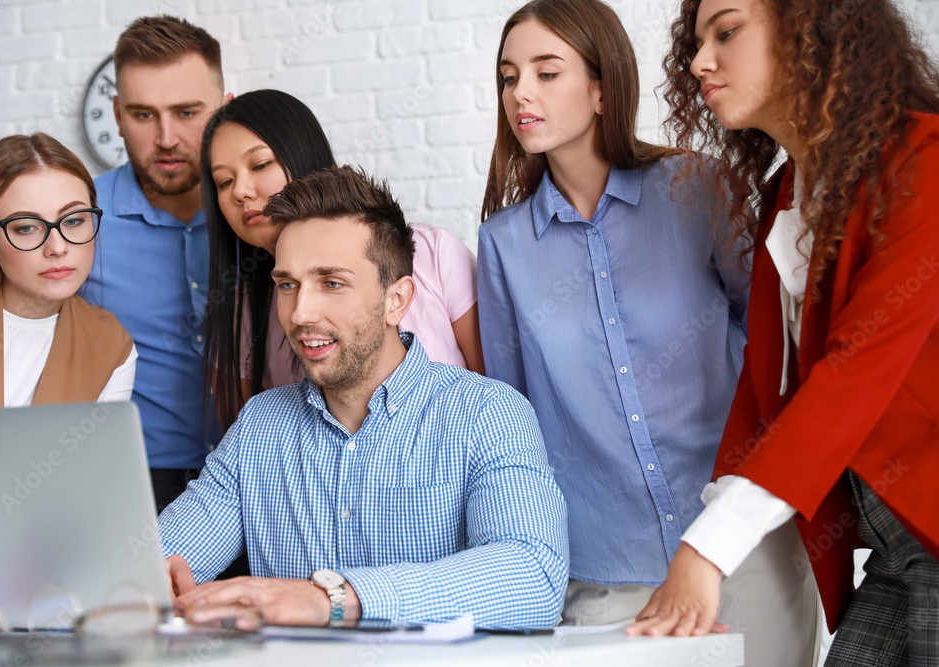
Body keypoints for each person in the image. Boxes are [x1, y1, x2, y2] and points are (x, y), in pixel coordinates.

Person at [477, 1, 818, 664]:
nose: (521, 93)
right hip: (604, 573)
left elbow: (775, 349)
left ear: (603, 87)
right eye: (508, 77)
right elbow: (512, 419)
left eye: (547, 73)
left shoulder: (698, 189)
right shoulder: (503, 246)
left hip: (740, 556)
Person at [628, 1, 939, 664]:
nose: (699, 61)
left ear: (812, 31)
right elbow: (761, 397)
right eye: (697, 39)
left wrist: (708, 549)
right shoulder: (788, 195)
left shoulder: (927, 162)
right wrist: (708, 551)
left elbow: (853, 374)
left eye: (727, 31)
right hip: (891, 553)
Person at [158, 166, 568, 628]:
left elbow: (534, 577)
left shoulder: (488, 414)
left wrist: (331, 599)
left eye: (331, 283)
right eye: (288, 285)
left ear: (397, 300)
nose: (300, 313)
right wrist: (143, 575)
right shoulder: (260, 425)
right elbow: (165, 553)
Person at [200, 89, 484, 431]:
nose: (240, 191)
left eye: (260, 165)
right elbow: (247, 452)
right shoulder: (240, 312)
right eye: (223, 181)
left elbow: (498, 393)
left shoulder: (434, 254)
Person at [80, 16, 231, 513]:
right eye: (144, 115)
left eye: (188, 112)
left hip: (264, 476)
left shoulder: (260, 216)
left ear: (225, 111)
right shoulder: (76, 221)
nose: (167, 138)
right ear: (119, 115)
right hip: (134, 485)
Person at [0, 134, 135, 409]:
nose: (57, 247)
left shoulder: (112, 345)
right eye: (26, 227)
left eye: (74, 220)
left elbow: (97, 453)